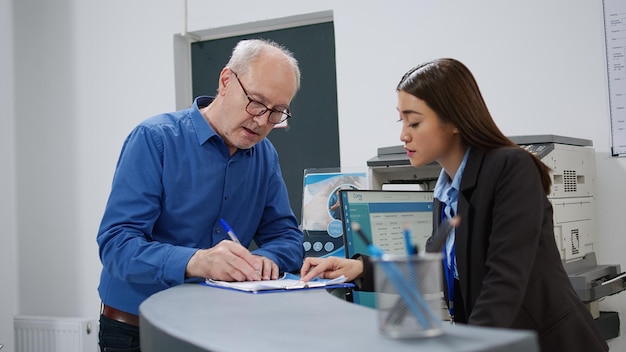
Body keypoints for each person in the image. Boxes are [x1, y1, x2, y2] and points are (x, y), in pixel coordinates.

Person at [300, 58, 608, 352]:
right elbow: (435, 271)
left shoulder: (510, 168)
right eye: (402, 120)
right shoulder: (446, 190)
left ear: (454, 121)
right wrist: (359, 268)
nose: (403, 134)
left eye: (415, 122)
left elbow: (504, 282)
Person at [97, 39, 305, 351]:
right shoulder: (155, 140)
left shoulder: (265, 155)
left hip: (219, 325)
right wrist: (197, 261)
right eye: (256, 103)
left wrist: (264, 260)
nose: (263, 121)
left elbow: (287, 237)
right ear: (226, 81)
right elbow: (117, 246)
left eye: (277, 112)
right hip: (136, 330)